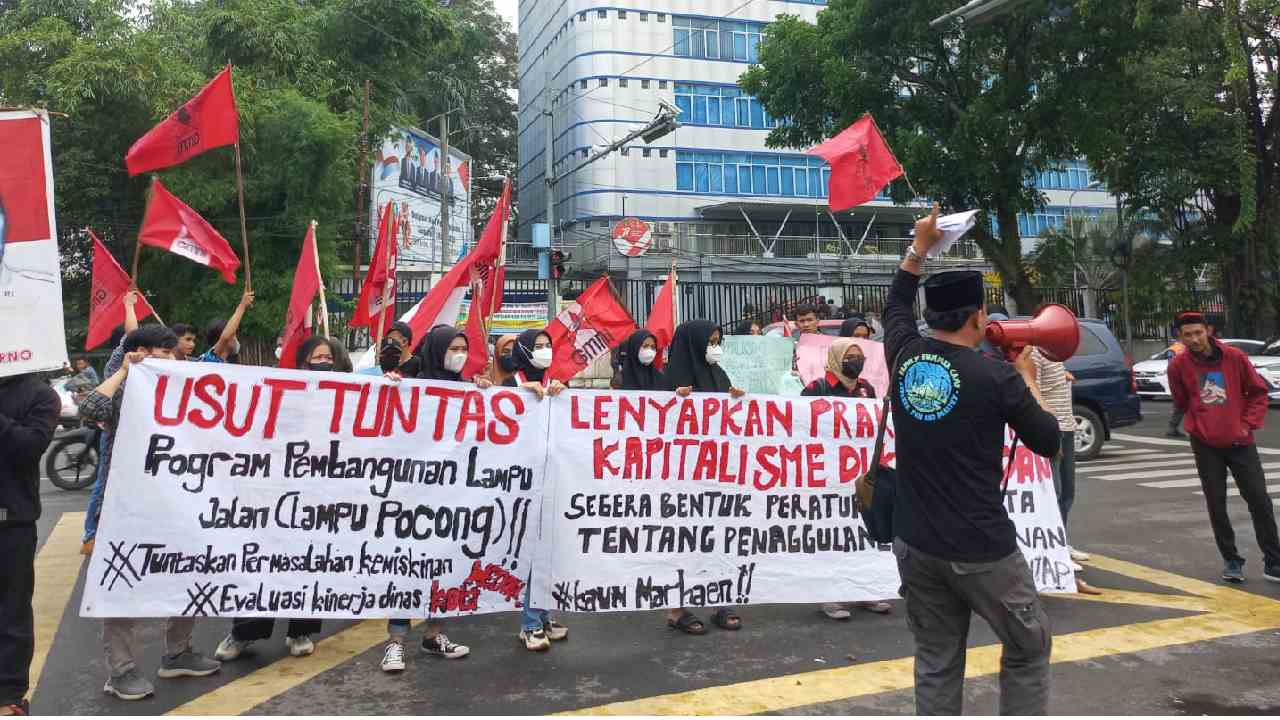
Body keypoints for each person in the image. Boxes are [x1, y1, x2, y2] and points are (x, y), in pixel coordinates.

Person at [884, 204, 1060, 716]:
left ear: (931, 316)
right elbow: (1048, 439)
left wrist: (919, 248)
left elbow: (894, 305)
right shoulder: (995, 377)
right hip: (982, 548)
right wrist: (1028, 376)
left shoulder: (904, 354)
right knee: (1028, 647)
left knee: (937, 658)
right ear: (977, 317)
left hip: (916, 540)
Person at [80, 326, 222, 700]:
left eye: (175, 352)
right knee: (123, 582)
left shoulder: (182, 386)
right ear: (141, 351)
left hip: (177, 502)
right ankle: (121, 670)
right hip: (127, 506)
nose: (174, 358)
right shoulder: (127, 386)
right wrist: (126, 371)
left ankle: (178, 651)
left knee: (192, 570)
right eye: (165, 351)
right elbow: (91, 408)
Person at [215, 337, 346, 664]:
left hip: (319, 494)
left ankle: (300, 630)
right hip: (276, 494)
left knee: (307, 561)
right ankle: (243, 633)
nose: (323, 361)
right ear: (303, 363)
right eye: (316, 357)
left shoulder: (345, 394)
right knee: (263, 560)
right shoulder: (282, 393)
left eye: (328, 356)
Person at [375, 325, 483, 671]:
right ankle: (395, 642)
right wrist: (392, 388)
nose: (460, 355)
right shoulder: (410, 381)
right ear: (437, 350)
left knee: (444, 567)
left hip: (452, 497)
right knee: (407, 567)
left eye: (463, 349)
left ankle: (434, 634)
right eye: (453, 348)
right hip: (413, 497)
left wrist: (485, 390)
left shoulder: (466, 388)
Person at [1167, 311, 1280, 584]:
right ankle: (1231, 559)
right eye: (1187, 335)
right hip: (1205, 444)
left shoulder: (1234, 357)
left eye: (1198, 332)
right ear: (1179, 338)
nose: (1194, 339)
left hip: (1241, 441)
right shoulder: (1178, 365)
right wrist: (1199, 419)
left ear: (1209, 330)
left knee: (1259, 500)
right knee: (1216, 503)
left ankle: (1273, 561)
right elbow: (1181, 400)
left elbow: (1258, 392)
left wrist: (1247, 424)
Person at [660, 320, 746, 635]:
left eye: (717, 341)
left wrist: (735, 399)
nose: (714, 348)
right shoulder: (670, 380)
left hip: (717, 473)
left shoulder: (718, 374)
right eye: (709, 342)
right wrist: (674, 401)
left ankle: (719, 600)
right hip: (681, 478)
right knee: (683, 543)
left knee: (719, 538)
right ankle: (677, 608)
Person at [801, 339, 893, 619]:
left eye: (859, 356)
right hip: (829, 473)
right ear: (837, 358)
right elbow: (801, 425)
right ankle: (830, 595)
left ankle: (865, 591)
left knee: (863, 531)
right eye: (850, 356)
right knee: (832, 534)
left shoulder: (867, 389)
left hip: (861, 473)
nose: (856, 361)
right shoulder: (817, 389)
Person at [499, 329, 570, 650]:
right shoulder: (510, 386)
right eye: (537, 347)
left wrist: (561, 394)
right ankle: (529, 624)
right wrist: (518, 395)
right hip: (520, 484)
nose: (544, 351)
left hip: (550, 480)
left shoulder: (553, 383)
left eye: (547, 346)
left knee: (548, 553)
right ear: (524, 352)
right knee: (530, 555)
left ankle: (541, 615)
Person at [0, 371, 60, 717]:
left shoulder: (39, 395)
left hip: (11, 522)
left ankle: (8, 695)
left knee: (11, 612)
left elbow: (28, 447)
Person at [1030, 346, 1098, 592]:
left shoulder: (1054, 353)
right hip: (1054, 430)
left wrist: (1063, 375)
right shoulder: (1034, 354)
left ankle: (1062, 542)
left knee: (1068, 492)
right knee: (1055, 494)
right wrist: (1050, 433)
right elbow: (1033, 391)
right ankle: (1055, 551)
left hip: (1067, 427)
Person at [82, 291, 144, 554]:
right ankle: (91, 533)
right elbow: (133, 335)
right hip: (114, 433)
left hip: (137, 440)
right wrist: (128, 305)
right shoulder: (120, 362)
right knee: (104, 483)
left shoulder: (147, 363)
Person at [197, 288, 255, 363]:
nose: (236, 340)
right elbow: (225, 336)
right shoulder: (209, 358)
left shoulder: (225, 362)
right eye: (233, 335)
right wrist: (242, 305)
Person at [1165, 340, 1189, 438]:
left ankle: (1172, 428)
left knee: (1179, 403)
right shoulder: (1186, 348)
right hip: (1183, 376)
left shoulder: (1172, 349)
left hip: (1175, 376)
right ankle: (1172, 428)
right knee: (1181, 404)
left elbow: (1170, 363)